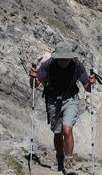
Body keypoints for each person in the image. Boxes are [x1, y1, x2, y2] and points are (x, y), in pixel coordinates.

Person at [30, 41, 96, 174]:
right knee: (57, 132)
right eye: (61, 58)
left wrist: (91, 83)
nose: (64, 61)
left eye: (66, 58)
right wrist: (31, 77)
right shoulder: (48, 65)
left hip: (71, 99)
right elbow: (34, 85)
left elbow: (87, 88)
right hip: (53, 100)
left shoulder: (77, 65)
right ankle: (60, 158)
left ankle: (69, 162)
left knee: (67, 129)